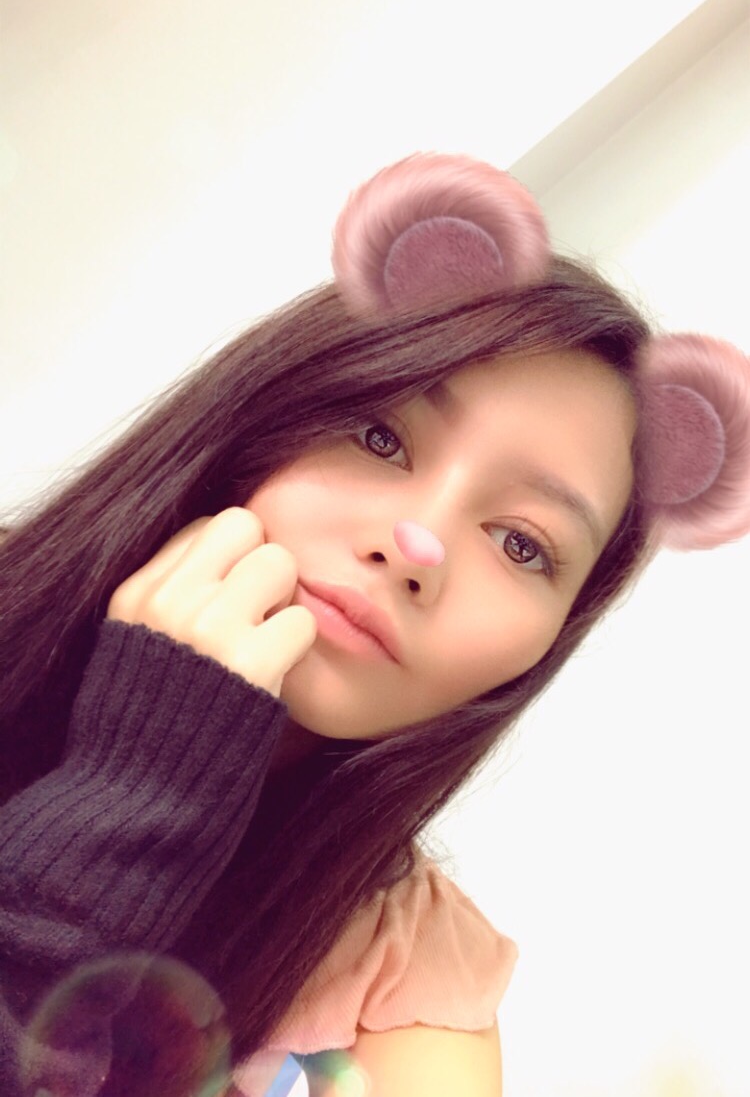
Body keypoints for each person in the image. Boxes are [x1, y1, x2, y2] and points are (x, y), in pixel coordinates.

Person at [0, 153, 748, 1097]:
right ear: (259, 418)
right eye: (381, 437)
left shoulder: (406, 977)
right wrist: (132, 789)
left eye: (522, 543)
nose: (415, 545)